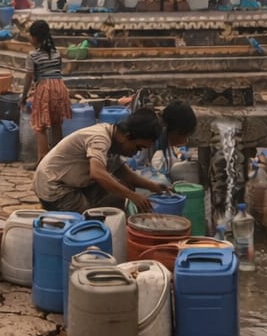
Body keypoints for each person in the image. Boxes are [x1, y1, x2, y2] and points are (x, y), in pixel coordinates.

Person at [32, 107, 167, 214]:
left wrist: (153, 186)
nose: (135, 153)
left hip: (70, 182)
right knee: (91, 221)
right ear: (126, 136)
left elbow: (125, 174)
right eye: (138, 147)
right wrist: (132, 196)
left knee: (121, 193)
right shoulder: (100, 139)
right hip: (53, 187)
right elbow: (97, 173)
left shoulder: (114, 139)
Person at [23, 19, 72, 161]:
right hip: (60, 88)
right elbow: (57, 72)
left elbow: (28, 77)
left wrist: (23, 96)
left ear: (35, 38)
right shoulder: (56, 53)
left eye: (30, 36)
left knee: (40, 126)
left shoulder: (33, 55)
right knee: (56, 124)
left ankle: (42, 161)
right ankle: (58, 160)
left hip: (45, 89)